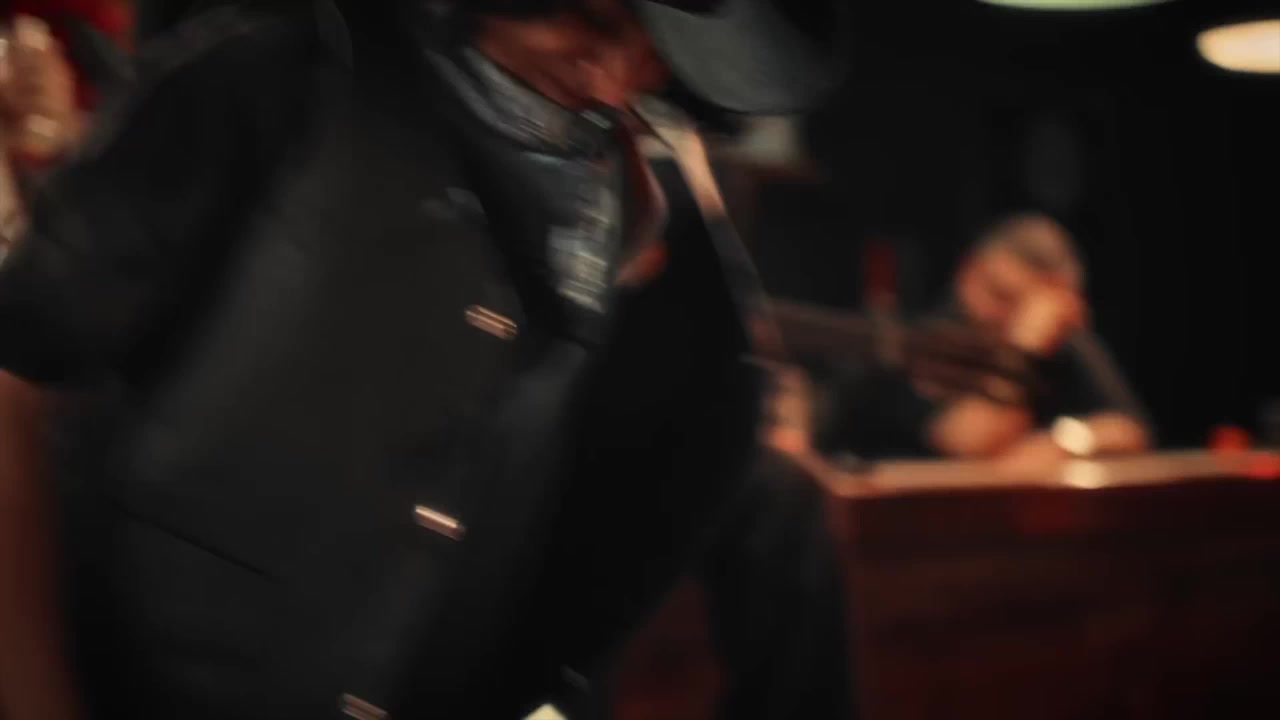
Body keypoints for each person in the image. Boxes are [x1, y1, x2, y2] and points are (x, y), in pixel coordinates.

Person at [0, 1, 847, 718]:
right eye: (588, 19)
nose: (611, 75)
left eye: (653, 53)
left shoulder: (626, 210)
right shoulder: (280, 77)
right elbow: (16, 378)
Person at [819, 213, 1151, 469]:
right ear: (969, 272)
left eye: (1027, 307)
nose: (1004, 316)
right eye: (999, 294)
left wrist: (1064, 440)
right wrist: (1024, 347)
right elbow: (967, 444)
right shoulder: (922, 339)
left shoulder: (1060, 341)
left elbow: (1132, 430)